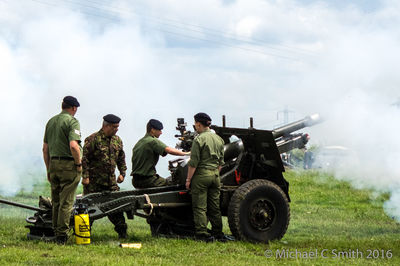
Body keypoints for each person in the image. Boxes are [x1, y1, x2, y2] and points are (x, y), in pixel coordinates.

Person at [42, 96, 82, 244]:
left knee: (57, 201)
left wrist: (48, 169)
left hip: (53, 164)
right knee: (67, 202)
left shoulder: (51, 122)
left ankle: (55, 230)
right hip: (68, 165)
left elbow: (45, 148)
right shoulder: (72, 121)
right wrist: (78, 164)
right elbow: (73, 145)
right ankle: (61, 236)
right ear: (73, 108)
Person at [81, 114, 128, 239]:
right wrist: (85, 177)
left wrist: (122, 173)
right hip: (94, 183)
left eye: (118, 127)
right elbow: (84, 160)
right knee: (88, 210)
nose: (116, 129)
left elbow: (121, 159)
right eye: (114, 127)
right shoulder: (92, 139)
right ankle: (84, 234)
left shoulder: (117, 140)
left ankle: (123, 233)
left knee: (116, 209)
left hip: (111, 183)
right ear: (106, 126)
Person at [185, 112, 226, 242]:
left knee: (200, 206)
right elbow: (221, 162)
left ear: (198, 124)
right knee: (214, 207)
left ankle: (202, 233)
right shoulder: (219, 139)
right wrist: (215, 172)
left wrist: (188, 180)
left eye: (195, 125)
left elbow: (193, 162)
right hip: (215, 175)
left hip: (201, 176)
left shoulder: (199, 139)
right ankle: (218, 233)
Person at [131, 119, 189, 189]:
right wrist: (187, 153)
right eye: (159, 130)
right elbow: (169, 150)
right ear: (152, 130)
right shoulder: (152, 141)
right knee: (174, 184)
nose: (161, 132)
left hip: (136, 180)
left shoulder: (140, 142)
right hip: (147, 180)